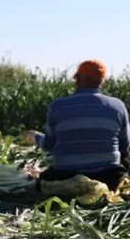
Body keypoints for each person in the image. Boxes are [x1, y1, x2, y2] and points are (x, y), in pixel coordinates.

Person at [23, 59, 130, 191]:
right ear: (103, 81)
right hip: (107, 177)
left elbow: (49, 145)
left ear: (77, 79)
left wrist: (35, 137)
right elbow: (124, 146)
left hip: (65, 176)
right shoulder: (117, 106)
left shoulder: (58, 106)